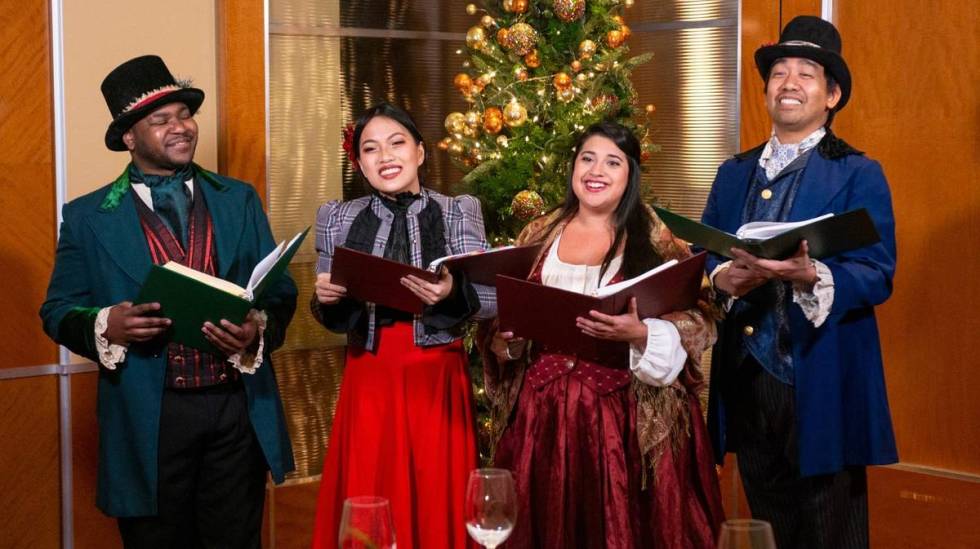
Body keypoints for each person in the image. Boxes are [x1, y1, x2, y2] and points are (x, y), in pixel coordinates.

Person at [39, 55, 298, 547]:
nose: (180, 128)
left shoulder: (239, 198)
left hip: (235, 409)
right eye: (161, 120)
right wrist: (106, 324)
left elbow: (280, 291)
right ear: (130, 138)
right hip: (148, 416)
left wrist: (257, 330)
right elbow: (57, 311)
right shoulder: (87, 216)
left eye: (184, 114)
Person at [702, 15, 898, 548]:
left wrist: (814, 275)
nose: (789, 83)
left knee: (832, 530)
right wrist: (723, 276)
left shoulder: (859, 172)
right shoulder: (732, 172)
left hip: (822, 380)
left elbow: (877, 273)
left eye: (806, 74)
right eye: (779, 72)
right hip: (745, 380)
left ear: (832, 94)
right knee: (769, 526)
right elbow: (703, 255)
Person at [481, 121, 724, 548]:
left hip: (624, 419)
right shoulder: (537, 234)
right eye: (587, 158)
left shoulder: (656, 239)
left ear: (630, 175)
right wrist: (509, 340)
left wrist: (643, 333)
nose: (596, 170)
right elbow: (503, 317)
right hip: (543, 418)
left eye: (612, 162)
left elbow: (701, 318)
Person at [310, 102, 497, 549]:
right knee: (371, 493)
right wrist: (327, 298)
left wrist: (452, 294)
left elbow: (492, 301)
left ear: (420, 151)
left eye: (396, 144)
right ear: (359, 163)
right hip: (369, 375)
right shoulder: (336, 217)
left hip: (435, 375)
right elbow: (328, 314)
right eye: (370, 149)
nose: (385, 157)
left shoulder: (458, 210)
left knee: (437, 493)